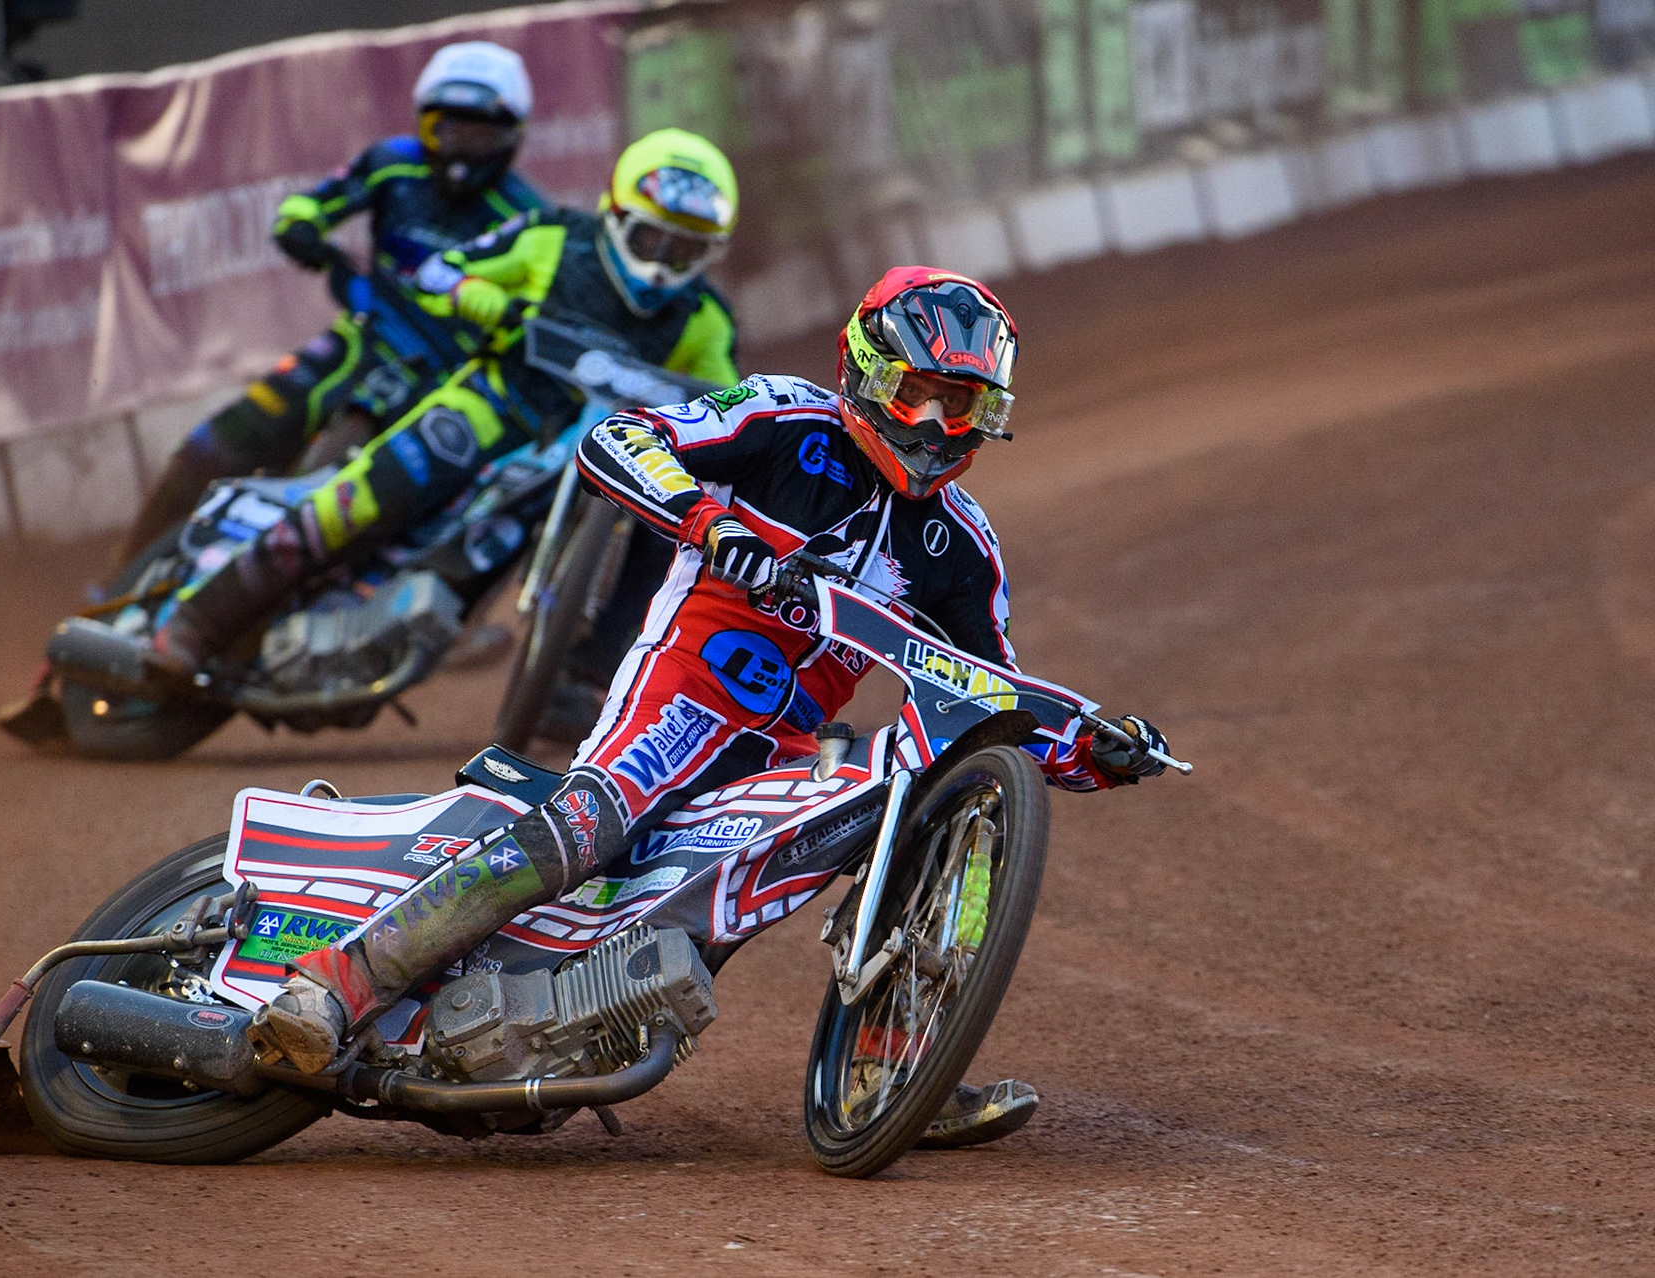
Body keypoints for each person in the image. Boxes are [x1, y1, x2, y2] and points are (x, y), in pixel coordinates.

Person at [246, 266, 1174, 1146]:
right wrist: (709, 522)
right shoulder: (782, 418)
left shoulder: (964, 550)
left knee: (913, 803)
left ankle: (896, 1065)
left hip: (787, 751)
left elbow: (991, 702)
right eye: (918, 394)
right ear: (866, 371)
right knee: (590, 825)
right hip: (682, 693)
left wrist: (1097, 753)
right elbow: (615, 440)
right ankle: (335, 985)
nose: (934, 423)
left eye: (961, 403)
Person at [144, 127, 740, 676]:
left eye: (684, 251)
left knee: (648, 525)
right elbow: (437, 271)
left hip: (574, 456)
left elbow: (723, 400)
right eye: (652, 239)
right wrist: (479, 295)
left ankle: (575, 678)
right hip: (488, 407)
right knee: (357, 502)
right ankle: (198, 621)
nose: (662, 266)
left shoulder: (704, 319)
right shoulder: (551, 237)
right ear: (615, 214)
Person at [109, 41, 548, 571]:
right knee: (208, 450)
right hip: (356, 344)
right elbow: (314, 202)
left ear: (513, 137)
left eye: (481, 135)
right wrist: (300, 228)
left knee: (367, 521)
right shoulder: (392, 166)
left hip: (440, 386)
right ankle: (115, 576)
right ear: (422, 125)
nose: (460, 153)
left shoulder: (529, 221)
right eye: (446, 130)